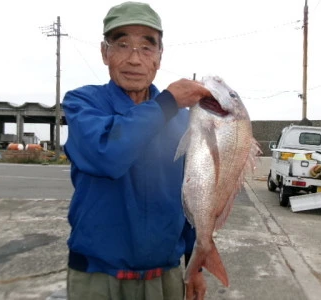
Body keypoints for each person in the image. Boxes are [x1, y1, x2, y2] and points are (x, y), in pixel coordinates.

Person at [62, 2, 212, 300]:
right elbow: (106, 155)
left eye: (147, 47)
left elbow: (193, 199)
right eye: (122, 44)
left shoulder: (184, 120)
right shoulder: (83, 104)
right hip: (97, 277)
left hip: (165, 277)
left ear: (159, 57)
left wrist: (195, 267)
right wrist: (167, 103)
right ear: (105, 53)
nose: (134, 59)